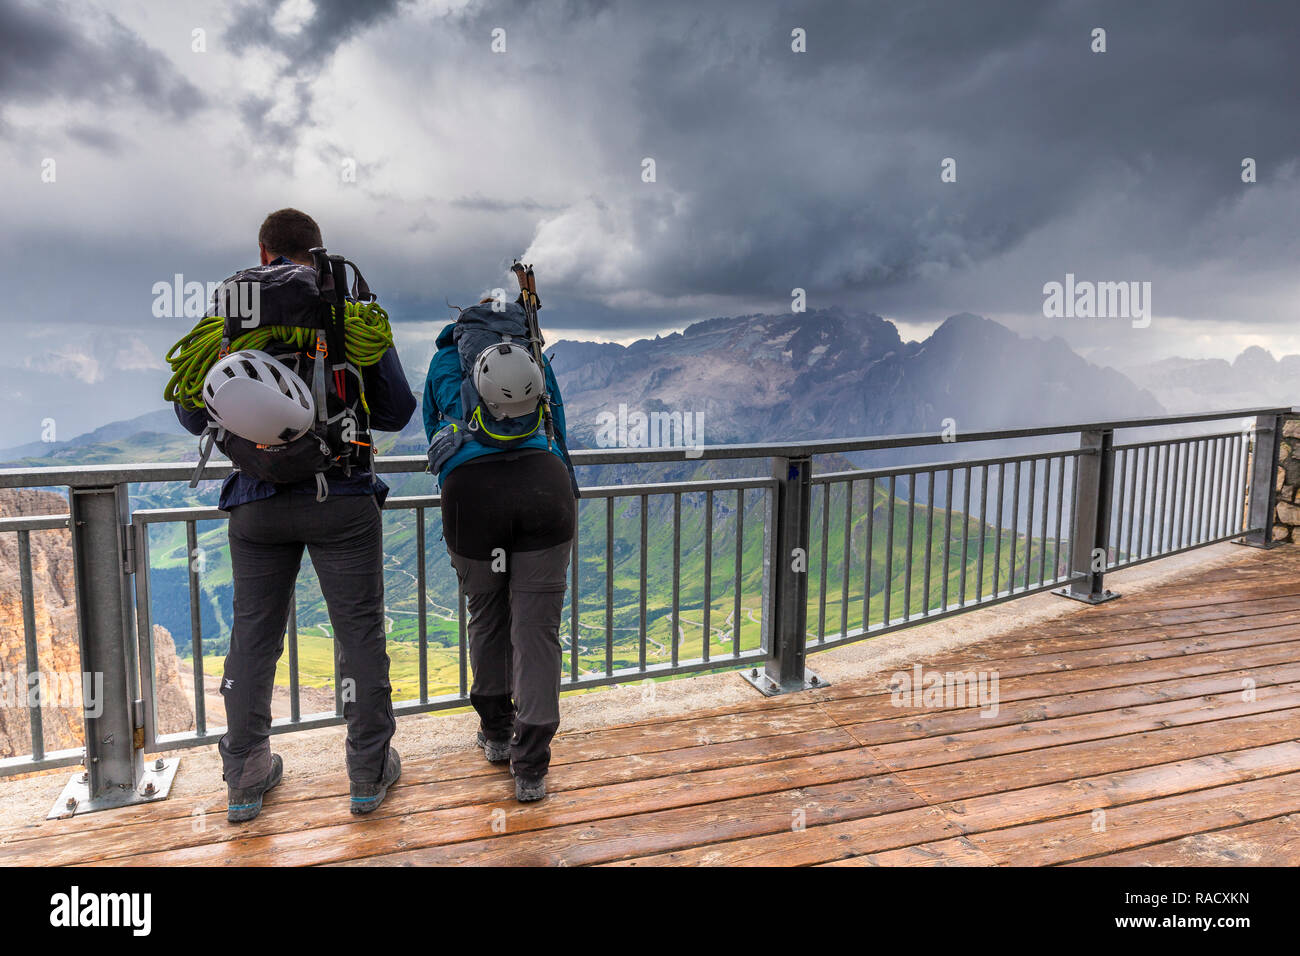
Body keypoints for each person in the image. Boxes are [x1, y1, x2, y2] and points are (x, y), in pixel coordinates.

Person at [174, 208, 417, 822]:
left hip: (254, 502)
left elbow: (191, 410)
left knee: (252, 637)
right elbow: (394, 411)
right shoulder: (344, 312)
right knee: (359, 634)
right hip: (340, 498)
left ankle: (247, 777)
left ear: (262, 252)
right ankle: (367, 772)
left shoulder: (230, 316)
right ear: (319, 251)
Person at [424, 292, 577, 802]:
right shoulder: (533, 354)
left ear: (461, 328)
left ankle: (495, 733)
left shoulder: (446, 360)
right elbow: (558, 427)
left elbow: (433, 431)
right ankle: (531, 766)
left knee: (486, 614)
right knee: (537, 630)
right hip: (543, 489)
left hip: (471, 498)